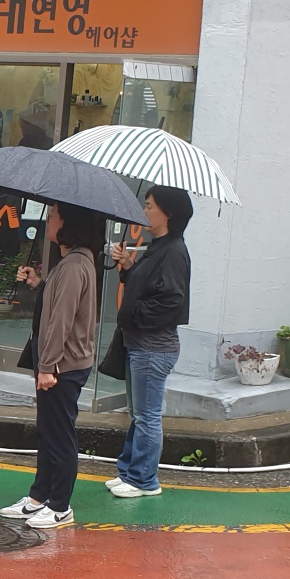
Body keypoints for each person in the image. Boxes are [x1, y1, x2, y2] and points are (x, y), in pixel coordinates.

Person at [1, 203, 104, 530]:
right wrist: (38, 283)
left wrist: (47, 366)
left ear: (69, 222)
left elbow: (62, 319)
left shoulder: (74, 264)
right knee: (49, 432)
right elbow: (58, 301)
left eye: (56, 214)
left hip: (62, 365)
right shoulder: (74, 261)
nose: (50, 218)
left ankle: (59, 505)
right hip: (60, 362)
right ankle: (38, 498)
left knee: (58, 435)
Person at [108, 185, 193, 500]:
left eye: (149, 206)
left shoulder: (173, 251)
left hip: (152, 346)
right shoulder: (160, 246)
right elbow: (149, 288)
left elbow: (171, 300)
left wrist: (134, 315)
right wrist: (129, 267)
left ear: (167, 213)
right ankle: (130, 473)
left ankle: (144, 480)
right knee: (138, 414)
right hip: (142, 343)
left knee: (146, 415)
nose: (144, 212)